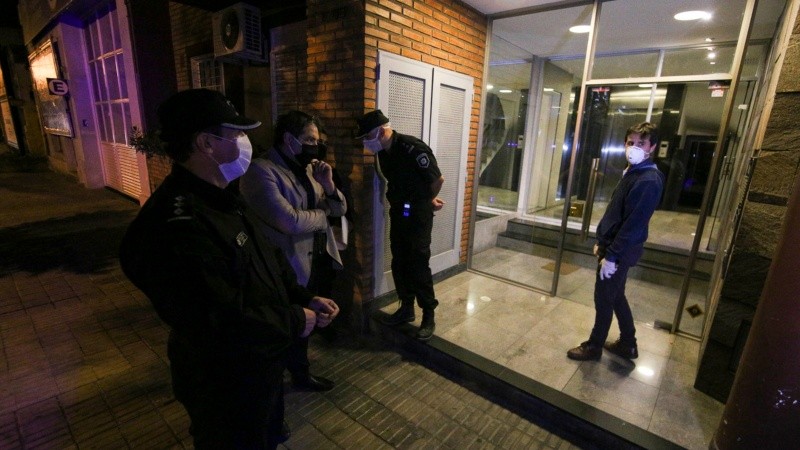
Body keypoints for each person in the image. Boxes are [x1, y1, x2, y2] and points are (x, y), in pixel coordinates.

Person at [119, 89, 339, 449]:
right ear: (206, 143)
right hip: (224, 380)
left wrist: (304, 296)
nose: (245, 142)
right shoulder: (180, 224)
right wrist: (296, 320)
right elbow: (218, 318)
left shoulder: (221, 195)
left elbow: (266, 261)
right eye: (236, 134)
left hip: (260, 364)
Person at [240, 110, 346, 391]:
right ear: (289, 139)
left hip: (321, 255)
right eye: (310, 139)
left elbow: (340, 208)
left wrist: (329, 186)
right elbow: (289, 221)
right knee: (291, 321)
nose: (316, 145)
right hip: (289, 263)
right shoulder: (261, 171)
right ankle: (295, 376)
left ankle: (300, 368)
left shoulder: (312, 169)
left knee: (311, 314)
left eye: (318, 139)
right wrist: (322, 215)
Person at [567, 122, 665, 361]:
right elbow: (617, 213)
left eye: (641, 143)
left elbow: (633, 225)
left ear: (651, 147)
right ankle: (628, 344)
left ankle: (594, 346)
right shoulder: (633, 171)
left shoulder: (648, 180)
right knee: (616, 295)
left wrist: (611, 256)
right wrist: (602, 241)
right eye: (630, 142)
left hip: (619, 251)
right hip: (614, 247)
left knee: (604, 298)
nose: (634, 147)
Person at [355, 110, 444, 341]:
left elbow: (436, 179)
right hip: (400, 211)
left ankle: (428, 314)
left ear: (382, 131)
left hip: (418, 214)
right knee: (400, 259)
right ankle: (406, 308)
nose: (366, 142)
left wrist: (425, 201)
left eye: (368, 137)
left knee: (418, 261)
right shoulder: (384, 152)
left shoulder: (412, 148)